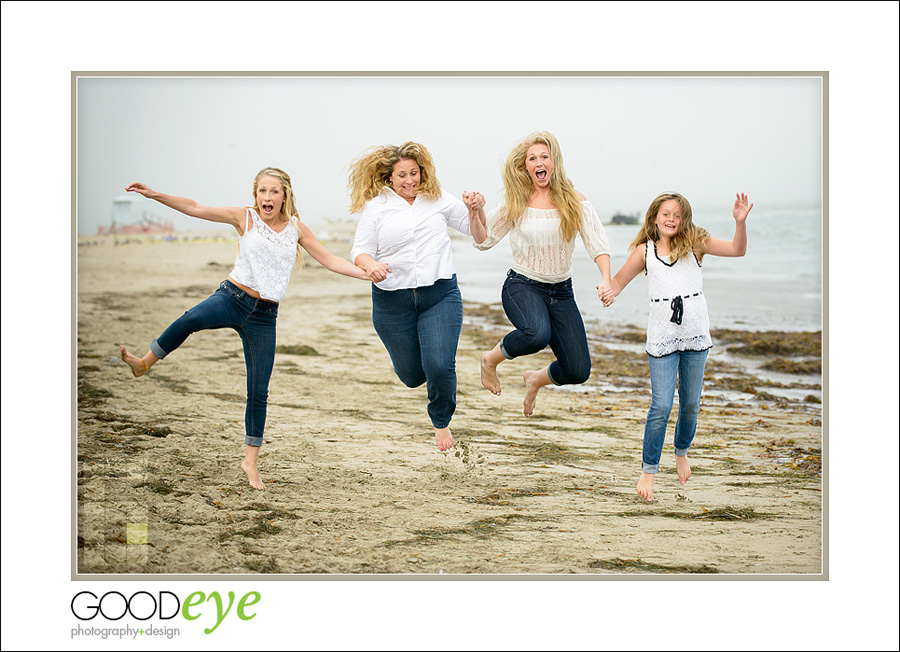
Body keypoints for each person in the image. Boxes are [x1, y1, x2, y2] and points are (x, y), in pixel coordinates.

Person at [118, 167, 370, 490]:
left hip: (265, 316)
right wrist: (155, 195)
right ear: (256, 195)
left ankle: (250, 461)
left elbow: (331, 260)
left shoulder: (296, 229)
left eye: (273, 192)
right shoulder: (245, 218)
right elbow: (195, 207)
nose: (267, 197)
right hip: (232, 297)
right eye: (262, 191)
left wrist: (367, 275)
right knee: (190, 319)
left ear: (285, 195)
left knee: (258, 389)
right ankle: (144, 363)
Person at [601, 191, 753, 502]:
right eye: (666, 213)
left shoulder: (696, 243)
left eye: (677, 215)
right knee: (660, 405)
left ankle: (681, 451)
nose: (671, 219)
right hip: (662, 337)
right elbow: (616, 283)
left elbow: (738, 250)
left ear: (684, 219)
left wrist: (739, 222)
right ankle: (649, 470)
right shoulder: (643, 252)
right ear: (654, 217)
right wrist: (607, 290)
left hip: (696, 335)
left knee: (691, 404)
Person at [348, 142, 487, 452]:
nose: (409, 180)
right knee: (412, 377)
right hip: (391, 303)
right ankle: (427, 375)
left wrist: (475, 210)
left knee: (439, 365)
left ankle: (441, 421)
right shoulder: (377, 207)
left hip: (439, 295)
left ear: (423, 172)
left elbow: (479, 235)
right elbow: (360, 250)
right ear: (389, 178)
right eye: (402, 175)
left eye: (414, 173)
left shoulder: (437, 199)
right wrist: (370, 264)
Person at [467, 131, 612, 416]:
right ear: (525, 167)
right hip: (522, 285)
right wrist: (475, 213)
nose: (539, 162)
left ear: (554, 162)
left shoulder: (574, 200)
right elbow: (484, 239)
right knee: (536, 333)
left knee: (578, 370)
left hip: (561, 291)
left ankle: (536, 379)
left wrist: (606, 278)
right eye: (532, 158)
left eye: (544, 156)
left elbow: (598, 242)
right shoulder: (516, 201)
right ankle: (490, 360)